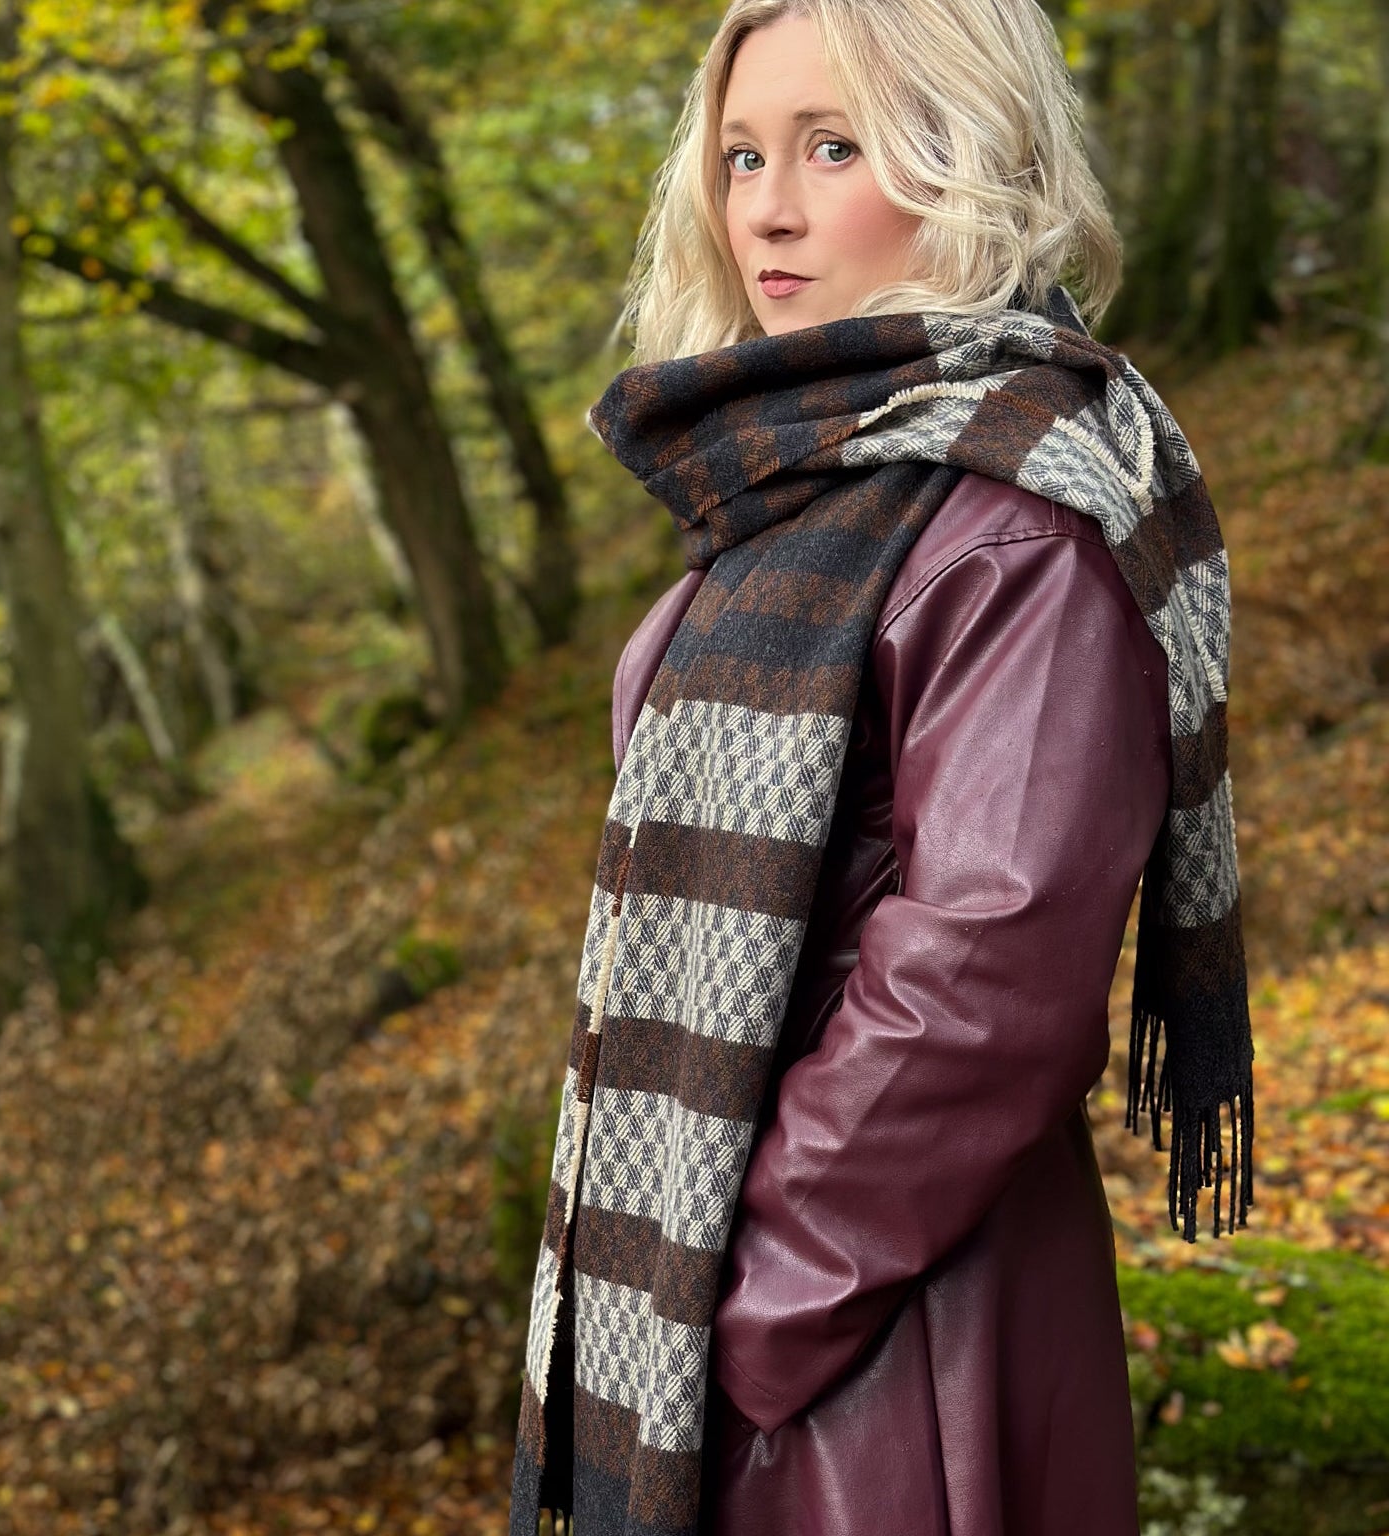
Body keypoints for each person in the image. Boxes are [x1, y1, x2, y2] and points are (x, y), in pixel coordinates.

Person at [510, 3, 1256, 1534]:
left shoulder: (1015, 527)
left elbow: (986, 981)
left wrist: (752, 1313)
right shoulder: (800, 498)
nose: (767, 205)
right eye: (739, 156)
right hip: (748, 1295)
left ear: (965, 160)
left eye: (831, 147)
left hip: (886, 1328)